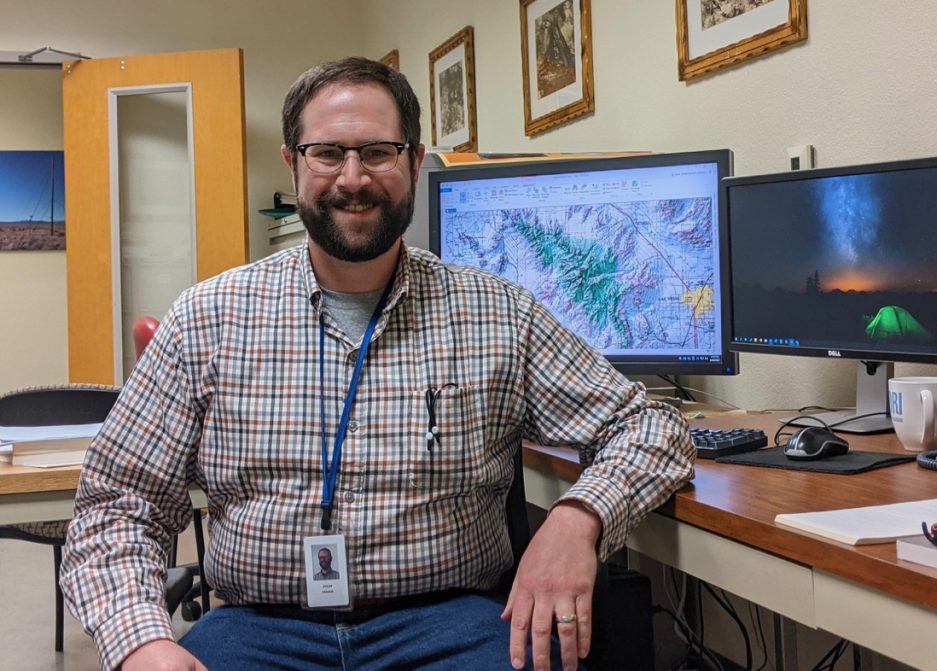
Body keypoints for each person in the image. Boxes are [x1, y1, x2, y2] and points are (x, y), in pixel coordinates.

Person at [60, 57, 694, 671]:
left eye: (377, 152)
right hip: (259, 628)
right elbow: (118, 505)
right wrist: (141, 642)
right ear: (293, 163)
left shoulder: (500, 313)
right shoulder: (207, 318)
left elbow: (651, 428)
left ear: (415, 162)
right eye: (327, 153)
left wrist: (579, 518)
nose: (353, 178)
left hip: (450, 625)